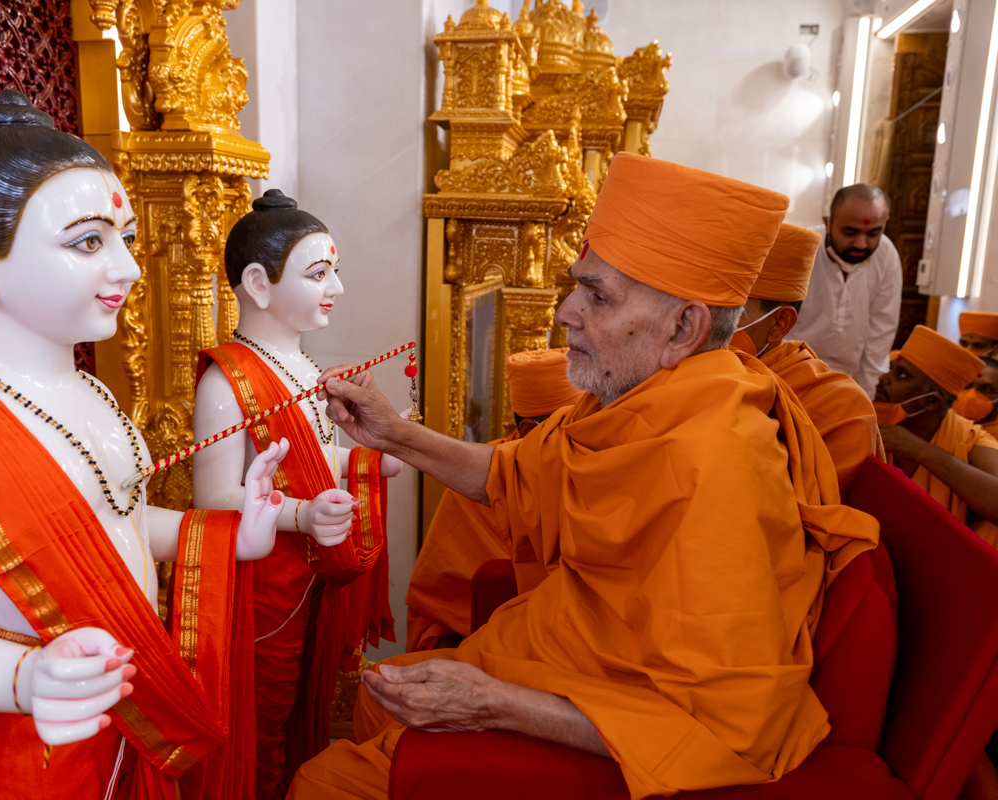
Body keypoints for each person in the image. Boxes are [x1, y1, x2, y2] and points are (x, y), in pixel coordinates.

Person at [290, 153, 878, 800]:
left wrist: (493, 704)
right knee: (378, 709)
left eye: (596, 295)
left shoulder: (715, 464)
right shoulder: (640, 398)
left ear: (684, 327)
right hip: (547, 652)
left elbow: (728, 725)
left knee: (326, 783)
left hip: (591, 703)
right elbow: (514, 476)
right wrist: (394, 433)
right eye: (580, 285)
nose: (566, 311)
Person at [0, 91, 288, 798]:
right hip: (26, 753)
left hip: (127, 718)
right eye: (88, 241)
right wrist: (24, 677)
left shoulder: (96, 399)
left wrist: (231, 534)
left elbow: (112, 524)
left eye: (126, 238)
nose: (129, 269)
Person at [192, 190, 401, 799]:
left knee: (302, 702)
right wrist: (302, 514)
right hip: (263, 582)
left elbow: (307, 456)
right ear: (257, 284)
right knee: (264, 717)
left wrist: (365, 459)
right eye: (319, 273)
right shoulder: (226, 380)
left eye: (333, 268)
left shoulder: (302, 368)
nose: (337, 283)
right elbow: (215, 494)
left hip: (308, 572)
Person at [405, 348, 583, 652]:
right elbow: (436, 616)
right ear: (529, 431)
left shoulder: (594, 470)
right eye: (579, 426)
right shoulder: (478, 483)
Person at [731, 223, 883, 492]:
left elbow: (818, 516)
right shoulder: (680, 365)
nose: (705, 326)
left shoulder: (841, 406)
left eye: (731, 313)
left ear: (780, 323)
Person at [875, 325, 998, 548]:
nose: (884, 378)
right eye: (890, 369)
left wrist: (920, 450)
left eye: (901, 375)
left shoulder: (970, 438)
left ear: (932, 401)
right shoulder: (865, 419)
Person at [788, 184, 902, 393]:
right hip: (789, 374)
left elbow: (881, 333)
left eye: (873, 233)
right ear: (828, 223)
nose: (860, 244)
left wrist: (868, 398)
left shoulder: (886, 255)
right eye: (850, 232)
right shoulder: (801, 247)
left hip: (847, 383)